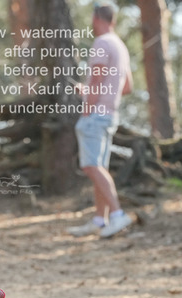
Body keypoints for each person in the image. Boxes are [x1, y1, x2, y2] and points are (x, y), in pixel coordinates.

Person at [67, 2, 133, 238]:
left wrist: (87, 107)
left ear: (96, 19)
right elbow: (127, 87)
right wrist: (98, 95)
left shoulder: (102, 43)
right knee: (99, 168)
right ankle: (100, 220)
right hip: (110, 114)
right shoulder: (120, 46)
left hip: (95, 114)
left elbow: (96, 79)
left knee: (91, 167)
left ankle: (117, 215)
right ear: (113, 20)